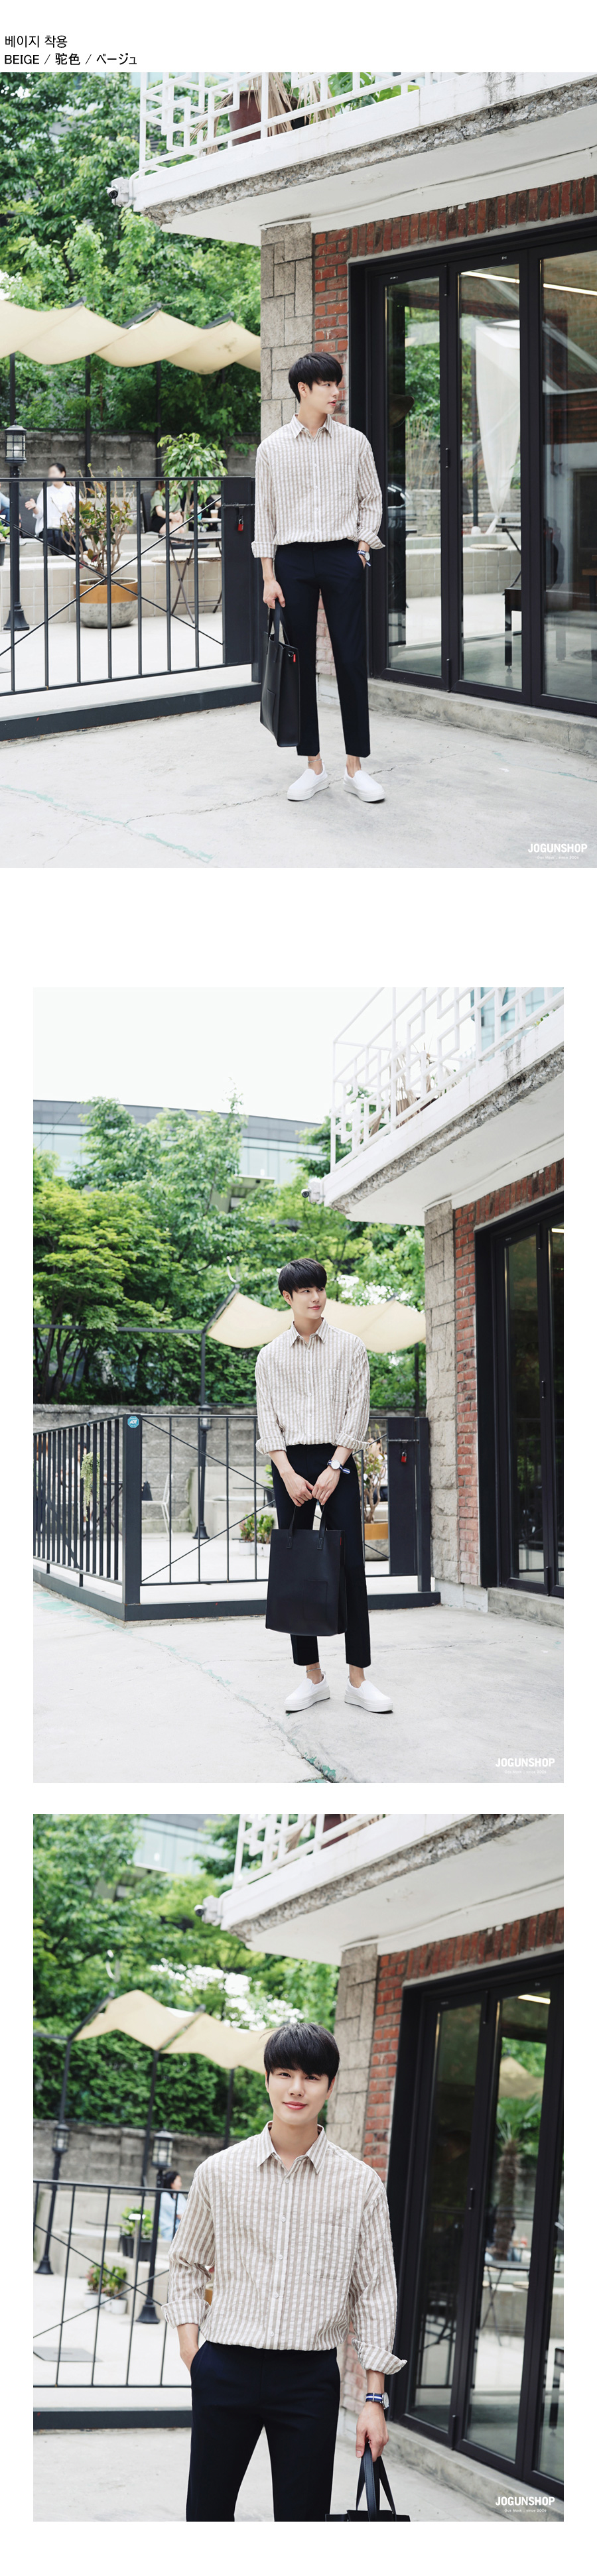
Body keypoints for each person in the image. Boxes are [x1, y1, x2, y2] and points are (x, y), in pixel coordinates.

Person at [166, 2019, 405, 2522]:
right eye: (285, 2074)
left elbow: (375, 2292)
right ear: (268, 2079)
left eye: (312, 2077)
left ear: (330, 2086)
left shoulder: (360, 2184)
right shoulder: (219, 2172)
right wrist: (193, 2351)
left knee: (302, 2520)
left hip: (308, 2377)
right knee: (206, 2514)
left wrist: (374, 2397)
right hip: (224, 2365)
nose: (297, 2088)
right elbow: (186, 2262)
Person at [255, 1257, 393, 1715]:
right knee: (296, 1567)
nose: (316, 1297)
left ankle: (358, 1678)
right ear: (288, 1297)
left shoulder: (351, 1347)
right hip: (290, 1464)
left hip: (340, 1460)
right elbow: (267, 1420)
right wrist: (287, 1472)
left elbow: (358, 1408)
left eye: (320, 1288)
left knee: (351, 1566)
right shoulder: (270, 1356)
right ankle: (312, 1676)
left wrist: (336, 1464)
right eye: (306, 1290)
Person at [253, 347, 385, 805]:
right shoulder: (271, 449)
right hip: (291, 561)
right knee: (300, 663)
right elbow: (265, 516)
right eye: (327, 384)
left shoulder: (355, 442)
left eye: (336, 383)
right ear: (303, 389)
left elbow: (372, 499)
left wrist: (362, 549)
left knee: (350, 659)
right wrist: (268, 576)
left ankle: (356, 767)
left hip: (342, 556)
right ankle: (313, 766)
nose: (335, 392)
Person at [25, 459, 78, 554]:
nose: (51, 476)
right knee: (58, 536)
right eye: (50, 473)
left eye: (53, 473)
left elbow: (79, 511)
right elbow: (39, 514)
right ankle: (69, 559)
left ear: (63, 474)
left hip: (67, 527)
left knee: (72, 535)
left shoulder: (72, 490)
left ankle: (82, 557)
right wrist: (35, 507)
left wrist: (73, 510)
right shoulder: (46, 491)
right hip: (48, 528)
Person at [157, 2166, 187, 2241]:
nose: (180, 2184)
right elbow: (180, 2215)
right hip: (170, 2231)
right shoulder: (164, 2196)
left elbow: (187, 2210)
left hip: (180, 2228)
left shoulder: (178, 2195)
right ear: (171, 2183)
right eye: (179, 2181)